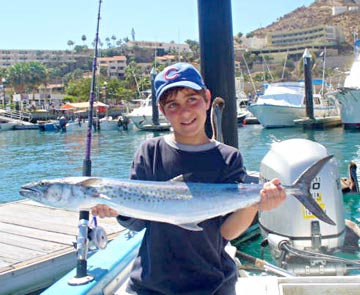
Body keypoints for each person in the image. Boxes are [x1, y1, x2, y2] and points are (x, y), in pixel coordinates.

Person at [92, 62, 286, 295]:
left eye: (191, 99)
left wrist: (256, 203)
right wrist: (116, 208)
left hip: (212, 285)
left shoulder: (228, 158)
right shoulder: (149, 152)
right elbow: (137, 223)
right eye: (173, 104)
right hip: (150, 285)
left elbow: (227, 232)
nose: (184, 112)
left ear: (207, 98)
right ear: (162, 110)